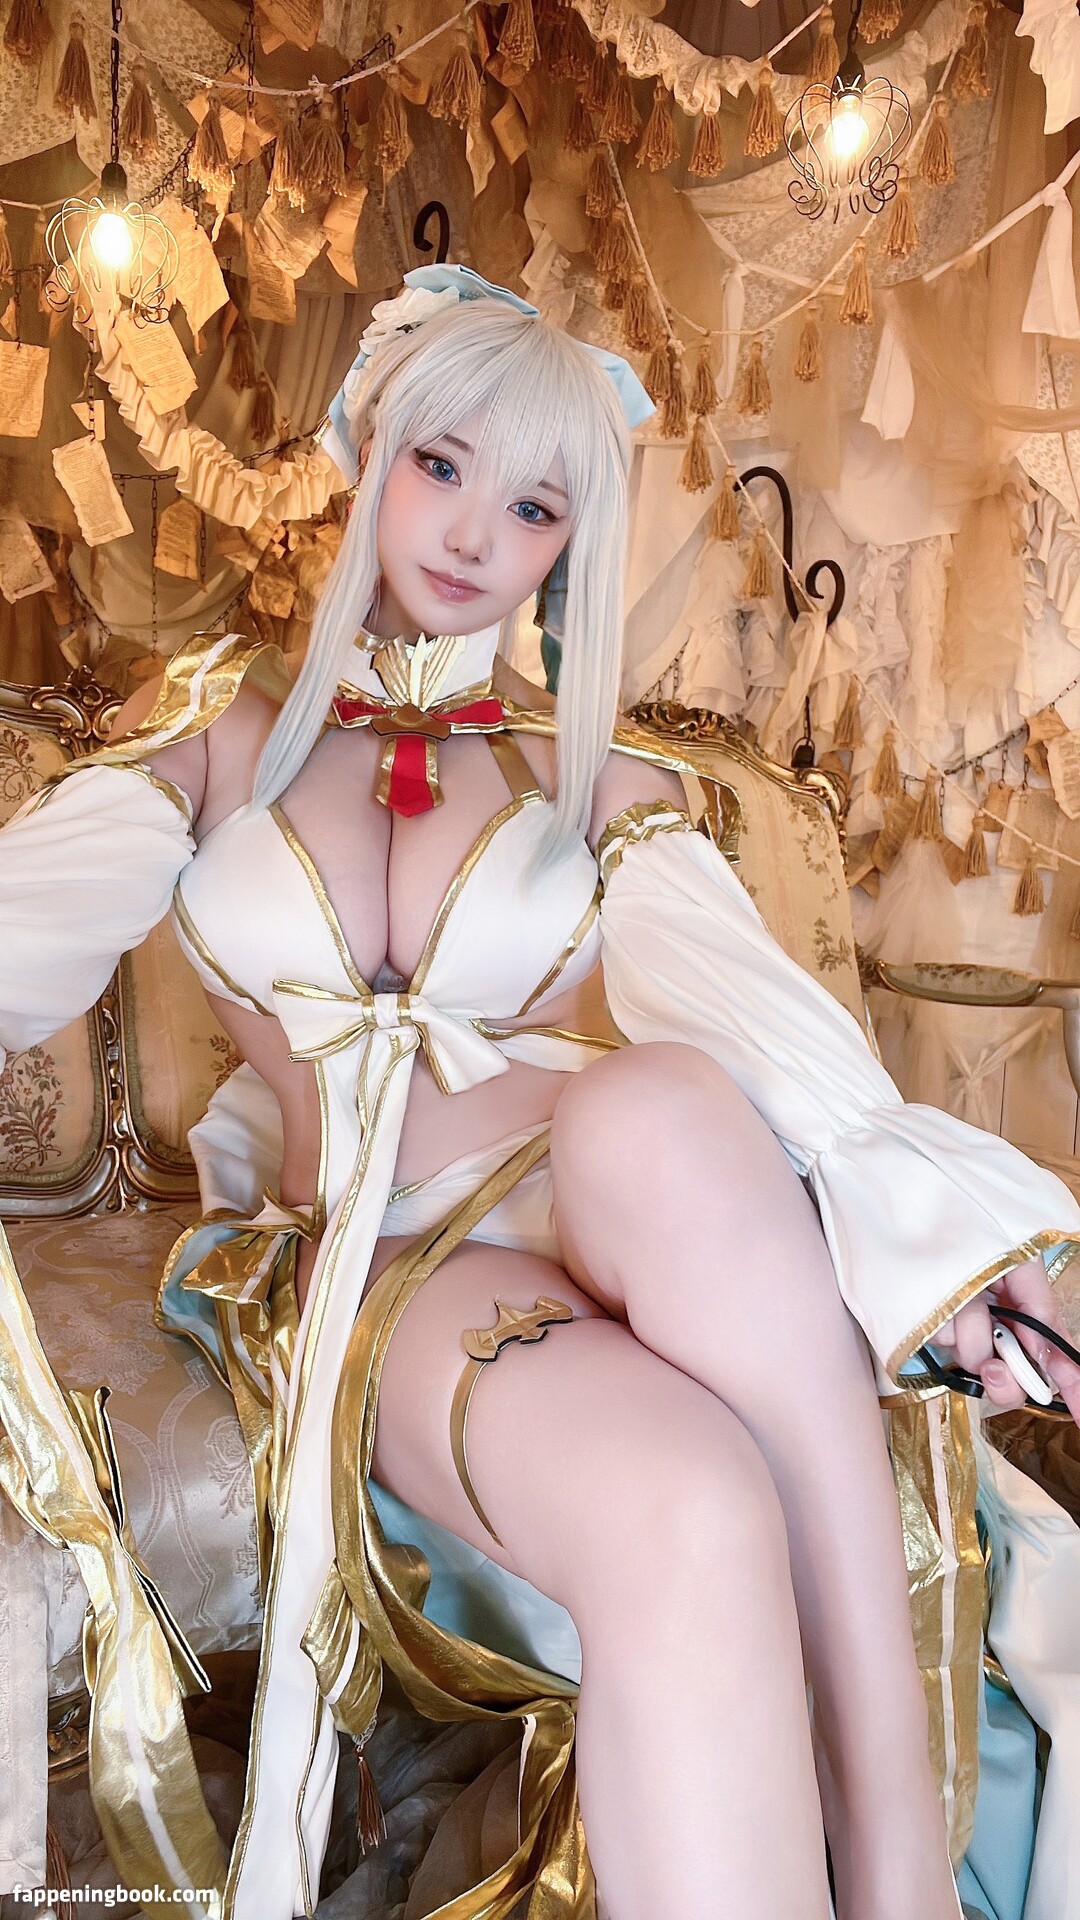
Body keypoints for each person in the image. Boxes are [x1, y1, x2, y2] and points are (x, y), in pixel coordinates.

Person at [1, 265, 1080, 1920]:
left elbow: (757, 1013)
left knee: (665, 1098)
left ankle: (894, 1864)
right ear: (373, 450)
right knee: (692, 1508)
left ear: (567, 543)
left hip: (621, 1198)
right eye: (442, 465)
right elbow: (33, 926)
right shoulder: (216, 738)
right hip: (390, 1256)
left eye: (532, 505)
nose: (471, 532)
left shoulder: (591, 780)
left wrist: (947, 1241)